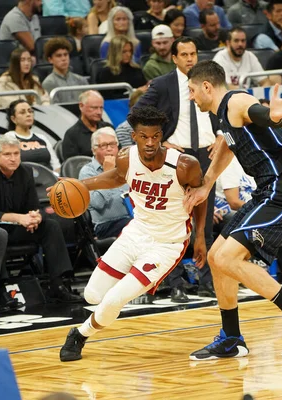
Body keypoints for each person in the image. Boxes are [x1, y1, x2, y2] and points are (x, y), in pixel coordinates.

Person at [184, 60, 282, 360]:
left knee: (226, 257)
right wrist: (207, 184)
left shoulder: (236, 100)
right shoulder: (220, 117)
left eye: (193, 90)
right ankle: (232, 338)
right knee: (214, 257)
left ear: (207, 86)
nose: (191, 97)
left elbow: (255, 111)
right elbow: (227, 144)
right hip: (266, 190)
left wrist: (271, 115)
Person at [58, 106, 208, 362]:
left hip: (167, 243)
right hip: (135, 233)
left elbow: (202, 197)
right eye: (143, 136)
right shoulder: (127, 158)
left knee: (114, 299)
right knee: (92, 295)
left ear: (161, 135)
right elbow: (117, 177)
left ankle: (79, 335)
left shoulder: (184, 165)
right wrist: (78, 185)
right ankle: (115, 299)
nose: (150, 143)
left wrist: (201, 235)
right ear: (134, 136)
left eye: (155, 136)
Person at [133, 37, 219, 300]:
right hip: (175, 157)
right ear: (174, 58)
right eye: (184, 54)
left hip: (206, 154)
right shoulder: (162, 84)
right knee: (172, 223)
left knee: (204, 222)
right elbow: (136, 114)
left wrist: (221, 135)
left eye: (193, 53)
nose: (190, 58)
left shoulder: (208, 81)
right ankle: (175, 283)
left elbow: (223, 111)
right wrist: (162, 141)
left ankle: (207, 281)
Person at [0, 133, 82, 303]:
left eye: (16, 154)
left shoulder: (25, 171)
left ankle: (58, 285)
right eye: (7, 154)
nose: (13, 159)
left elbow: (33, 206)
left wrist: (36, 217)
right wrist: (18, 218)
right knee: (0, 233)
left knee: (50, 226)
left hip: (18, 228)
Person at [79, 127, 133, 239]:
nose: (109, 149)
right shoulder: (87, 172)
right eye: (104, 145)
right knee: (135, 227)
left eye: (113, 145)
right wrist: (107, 173)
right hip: (107, 225)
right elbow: (98, 203)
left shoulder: (126, 166)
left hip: (133, 218)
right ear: (94, 150)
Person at [213, 28, 281, 89]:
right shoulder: (220, 58)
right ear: (228, 43)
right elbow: (226, 86)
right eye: (236, 41)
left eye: (243, 41)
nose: (240, 44)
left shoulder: (250, 56)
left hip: (248, 97)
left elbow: (265, 81)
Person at [6, 100, 61, 173]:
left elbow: (56, 166)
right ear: (13, 119)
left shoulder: (42, 137)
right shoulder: (8, 138)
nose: (28, 114)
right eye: (22, 112)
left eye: (30, 111)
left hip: (48, 179)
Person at [62, 91, 113, 160]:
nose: (99, 112)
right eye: (94, 108)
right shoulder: (72, 135)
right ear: (81, 106)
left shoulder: (108, 128)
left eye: (101, 108)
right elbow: (72, 165)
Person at [97, 35, 148, 100]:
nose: (128, 54)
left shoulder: (137, 70)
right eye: (124, 52)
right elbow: (107, 98)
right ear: (115, 52)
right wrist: (136, 93)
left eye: (130, 51)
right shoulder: (105, 73)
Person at [42, 37, 89, 105]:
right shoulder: (48, 83)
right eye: (59, 56)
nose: (64, 58)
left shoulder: (81, 80)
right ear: (50, 60)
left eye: (65, 54)